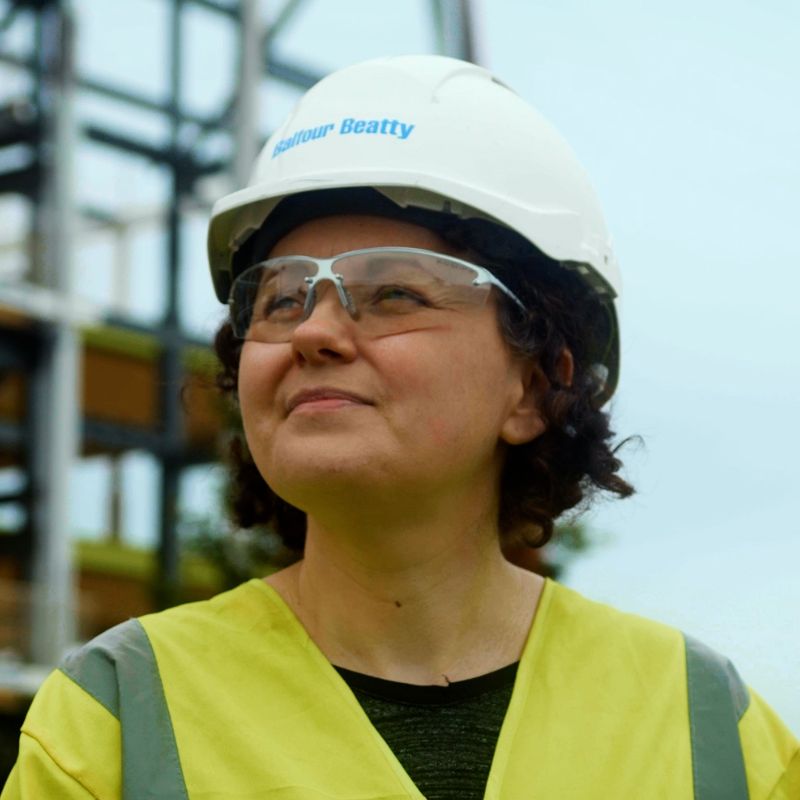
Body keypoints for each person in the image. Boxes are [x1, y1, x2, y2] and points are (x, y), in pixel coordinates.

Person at [3, 55, 798, 800]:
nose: (314, 333)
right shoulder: (117, 718)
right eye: (281, 298)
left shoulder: (711, 733)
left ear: (536, 384)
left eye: (393, 296)